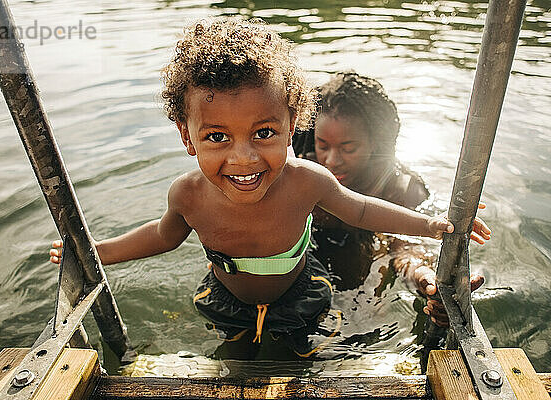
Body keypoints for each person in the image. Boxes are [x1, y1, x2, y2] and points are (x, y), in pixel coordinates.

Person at [50, 19, 490, 356]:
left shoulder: (307, 180)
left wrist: (431, 225)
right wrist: (96, 250)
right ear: (187, 137)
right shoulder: (187, 194)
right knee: (232, 358)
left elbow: (359, 211)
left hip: (301, 293)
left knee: (302, 362)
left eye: (263, 133)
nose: (243, 159)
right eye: (217, 137)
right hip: (226, 295)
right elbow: (164, 236)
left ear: (291, 125)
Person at [292, 72, 488, 326]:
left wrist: (426, 280)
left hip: (368, 257)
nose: (331, 160)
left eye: (348, 148)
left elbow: (406, 250)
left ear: (375, 143)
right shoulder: (302, 174)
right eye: (322, 145)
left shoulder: (399, 189)